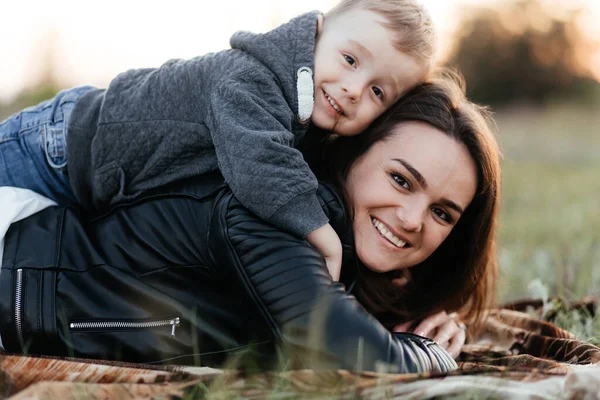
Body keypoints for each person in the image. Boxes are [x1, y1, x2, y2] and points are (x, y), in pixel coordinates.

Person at [0, 74, 500, 373]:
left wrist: (418, 325)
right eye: (400, 180)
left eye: (442, 213)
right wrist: (430, 354)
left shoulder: (342, 258)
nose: (412, 219)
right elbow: (343, 348)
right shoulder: (270, 214)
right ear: (350, 156)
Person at [0, 0, 435, 282]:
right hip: (58, 146)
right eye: (350, 59)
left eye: (379, 91)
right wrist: (318, 232)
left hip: (90, 176)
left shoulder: (300, 114)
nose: (355, 89)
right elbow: (260, 165)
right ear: (315, 35)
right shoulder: (250, 80)